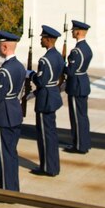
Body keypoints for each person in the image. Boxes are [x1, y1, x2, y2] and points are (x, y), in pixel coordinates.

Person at [0, 30, 25, 191]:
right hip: (15, 112)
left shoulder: (5, 71)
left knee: (4, 156)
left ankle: (6, 191)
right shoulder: (19, 66)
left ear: (4, 47)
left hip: (4, 115)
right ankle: (12, 188)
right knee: (11, 154)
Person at [30, 25, 65, 175]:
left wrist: (31, 75)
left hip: (45, 99)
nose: (41, 40)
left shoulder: (45, 60)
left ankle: (47, 167)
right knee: (51, 134)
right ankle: (53, 166)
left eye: (42, 38)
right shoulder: (58, 56)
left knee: (45, 135)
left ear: (48, 40)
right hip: (53, 95)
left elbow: (41, 81)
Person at [64, 20, 93, 154]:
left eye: (73, 29)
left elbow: (70, 71)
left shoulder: (77, 51)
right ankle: (85, 143)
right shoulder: (87, 48)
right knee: (82, 116)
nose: (72, 31)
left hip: (76, 85)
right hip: (83, 83)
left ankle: (79, 145)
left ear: (79, 32)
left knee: (76, 117)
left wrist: (62, 67)